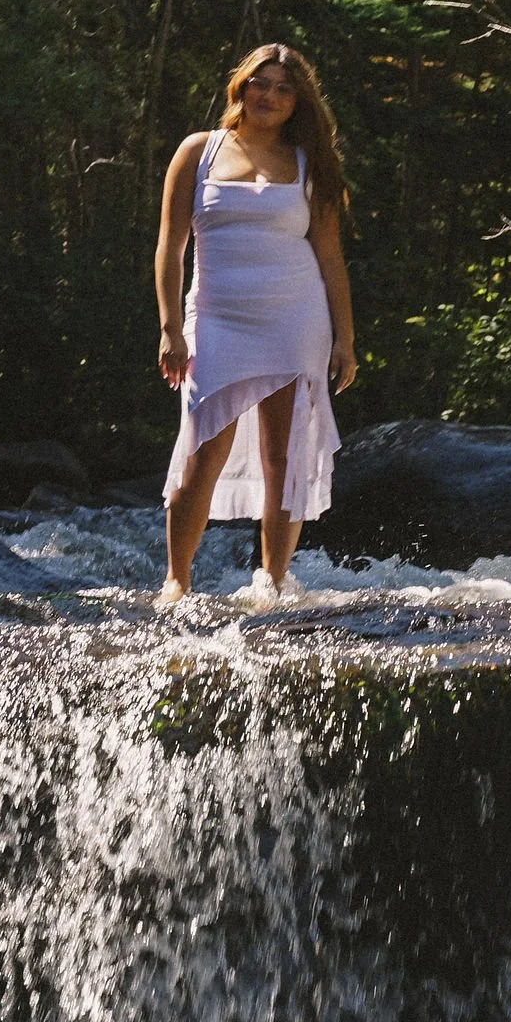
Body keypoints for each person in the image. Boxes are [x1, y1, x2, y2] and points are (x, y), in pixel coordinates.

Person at [154, 42, 356, 605]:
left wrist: (346, 338)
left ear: (298, 102)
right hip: (217, 317)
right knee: (203, 450)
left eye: (283, 88)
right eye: (259, 84)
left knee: (283, 455)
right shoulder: (199, 152)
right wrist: (171, 327)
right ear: (239, 87)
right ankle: (177, 581)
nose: (268, 95)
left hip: (295, 316)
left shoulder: (308, 163)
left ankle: (272, 580)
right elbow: (170, 247)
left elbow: (331, 258)